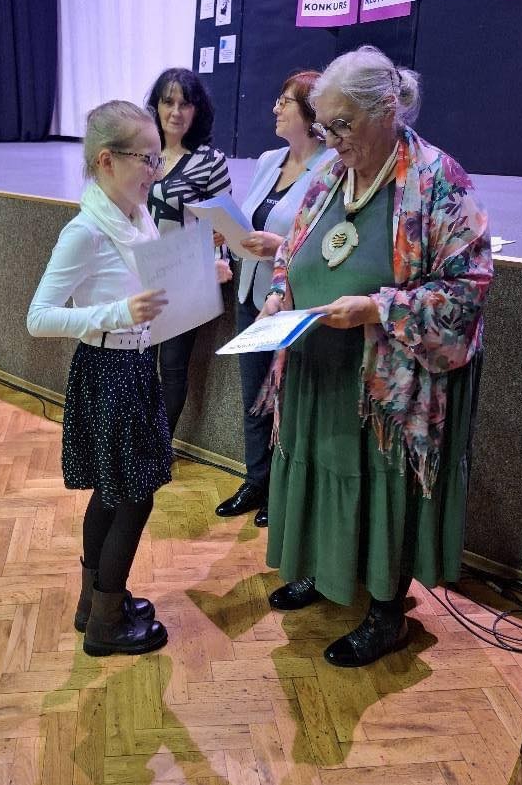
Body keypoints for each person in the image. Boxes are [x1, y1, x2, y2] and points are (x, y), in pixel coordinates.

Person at [258, 45, 492, 667]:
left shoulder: (439, 180)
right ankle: (324, 567)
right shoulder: (332, 173)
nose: (332, 140)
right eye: (324, 126)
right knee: (318, 466)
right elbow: (291, 250)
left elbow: (467, 290)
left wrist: (376, 310)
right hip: (317, 366)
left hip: (386, 385)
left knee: (382, 485)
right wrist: (280, 293)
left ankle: (387, 611)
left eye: (343, 125)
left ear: (388, 108)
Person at [27, 100, 170, 657]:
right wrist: (116, 314)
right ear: (107, 161)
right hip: (108, 370)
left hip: (134, 366)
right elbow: (39, 318)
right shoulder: (85, 230)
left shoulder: (135, 218)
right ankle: (107, 625)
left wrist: (198, 276)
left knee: (114, 493)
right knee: (134, 498)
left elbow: (142, 288)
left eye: (158, 159)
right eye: (146, 160)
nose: (155, 171)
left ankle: (95, 603)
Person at [215, 71, 334, 529]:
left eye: (285, 101)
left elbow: (326, 242)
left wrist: (279, 246)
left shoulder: (332, 167)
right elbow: (251, 222)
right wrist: (230, 236)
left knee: (286, 399)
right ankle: (256, 480)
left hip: (293, 300)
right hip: (252, 293)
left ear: (310, 112)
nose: (275, 108)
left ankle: (283, 490)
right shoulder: (268, 160)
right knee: (253, 396)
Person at [146, 68, 232, 434]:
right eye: (168, 102)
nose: (176, 111)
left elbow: (224, 225)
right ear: (156, 106)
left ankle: (158, 447)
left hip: (185, 278)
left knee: (172, 367)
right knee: (138, 363)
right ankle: (137, 441)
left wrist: (216, 263)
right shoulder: (142, 153)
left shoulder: (210, 161)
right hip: (141, 274)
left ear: (198, 110)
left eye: (185, 104)